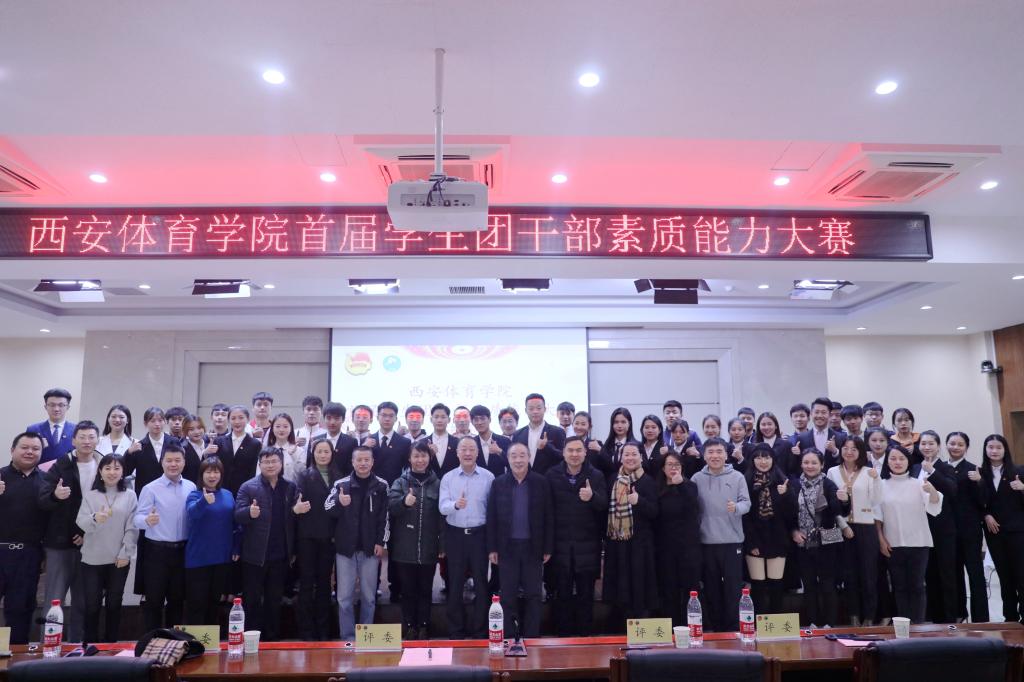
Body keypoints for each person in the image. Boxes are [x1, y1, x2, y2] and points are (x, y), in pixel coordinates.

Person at [39, 420, 102, 642]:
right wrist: (55, 496)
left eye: (91, 437)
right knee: (54, 599)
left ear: (98, 440)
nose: (87, 441)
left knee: (83, 601)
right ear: (73, 440)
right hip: (60, 543)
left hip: (91, 543)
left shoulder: (104, 465)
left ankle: (77, 648)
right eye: (82, 437)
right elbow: (43, 499)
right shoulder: (61, 465)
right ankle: (49, 647)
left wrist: (85, 533)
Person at [487, 442, 553, 638]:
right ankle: (510, 636)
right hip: (507, 548)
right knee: (507, 595)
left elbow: (549, 516)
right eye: (514, 456)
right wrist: (492, 548)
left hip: (533, 547)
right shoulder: (498, 483)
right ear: (507, 459)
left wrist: (548, 547)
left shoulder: (541, 482)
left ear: (529, 457)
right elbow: (491, 517)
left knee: (534, 594)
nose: (518, 460)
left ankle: (531, 637)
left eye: (522, 455)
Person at [325, 446, 389, 641]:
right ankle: (348, 638)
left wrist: (381, 542)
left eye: (366, 460)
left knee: (369, 597)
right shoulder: (341, 484)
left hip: (370, 549)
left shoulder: (381, 485)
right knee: (344, 597)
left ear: (372, 462)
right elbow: (328, 509)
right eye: (359, 460)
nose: (363, 463)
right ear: (352, 462)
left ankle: (366, 637)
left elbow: (385, 517)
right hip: (345, 549)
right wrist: (339, 502)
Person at [235, 447, 299, 641]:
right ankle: (251, 639)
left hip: (280, 555)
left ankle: (272, 639)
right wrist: (249, 513)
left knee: (274, 600)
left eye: (274, 461)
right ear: (260, 464)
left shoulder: (290, 487)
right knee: (252, 601)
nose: (270, 465)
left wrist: (296, 511)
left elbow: (294, 519)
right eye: (266, 462)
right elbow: (237, 515)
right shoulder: (248, 487)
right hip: (254, 556)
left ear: (281, 463)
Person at [545, 436, 607, 636]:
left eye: (578, 450)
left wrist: (592, 497)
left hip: (587, 547)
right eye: (570, 450)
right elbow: (546, 512)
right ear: (563, 453)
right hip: (560, 547)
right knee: (561, 595)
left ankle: (585, 637)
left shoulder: (596, 475)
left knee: (586, 595)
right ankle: (563, 637)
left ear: (585, 452)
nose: (574, 454)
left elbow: (604, 506)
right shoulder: (552, 475)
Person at [133, 443, 196, 632]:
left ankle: (174, 642)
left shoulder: (191, 486)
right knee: (154, 601)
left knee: (177, 601)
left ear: (184, 462)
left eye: (177, 460)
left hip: (182, 552)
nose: (173, 464)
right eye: (169, 460)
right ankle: (152, 641)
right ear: (162, 462)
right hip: (156, 552)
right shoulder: (150, 488)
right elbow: (137, 519)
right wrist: (147, 520)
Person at [76, 453, 138, 642]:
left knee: (114, 604)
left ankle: (111, 644)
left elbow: (132, 527)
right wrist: (95, 518)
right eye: (108, 468)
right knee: (92, 605)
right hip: (92, 559)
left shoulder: (130, 495)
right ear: (100, 472)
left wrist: (126, 553)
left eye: (117, 468)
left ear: (123, 472)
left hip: (118, 559)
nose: (112, 472)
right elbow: (81, 522)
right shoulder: (91, 495)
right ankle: (90, 645)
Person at [877, 444, 942, 624]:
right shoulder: (881, 485)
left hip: (919, 543)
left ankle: (918, 625)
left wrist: (932, 491)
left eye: (901, 458)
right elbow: (877, 516)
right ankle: (903, 627)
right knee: (899, 587)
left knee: (917, 585)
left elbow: (935, 507)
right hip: (892, 544)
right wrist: (881, 540)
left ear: (908, 461)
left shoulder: (918, 483)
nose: (897, 462)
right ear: (887, 462)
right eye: (893, 458)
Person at [692, 437, 750, 632]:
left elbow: (747, 503)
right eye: (710, 452)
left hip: (732, 541)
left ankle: (733, 628)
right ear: (704, 455)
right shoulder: (696, 478)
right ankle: (716, 629)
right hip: (706, 542)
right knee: (711, 588)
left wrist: (737, 508)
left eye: (719, 452)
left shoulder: (737, 477)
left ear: (726, 455)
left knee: (733, 588)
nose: (715, 456)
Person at [439, 437, 494, 638]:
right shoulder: (448, 478)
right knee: (455, 584)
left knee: (481, 583)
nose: (468, 453)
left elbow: (493, 510)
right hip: (455, 536)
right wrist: (455, 505)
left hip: (480, 535)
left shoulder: (488, 477)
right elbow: (442, 507)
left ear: (478, 452)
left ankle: (480, 631)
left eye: (472, 449)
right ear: (457, 453)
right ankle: (456, 631)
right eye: (464, 449)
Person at [388, 440, 442, 639]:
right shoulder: (400, 482)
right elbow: (391, 508)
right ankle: (410, 626)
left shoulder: (438, 483)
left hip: (429, 547)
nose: (420, 460)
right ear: (409, 459)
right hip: (404, 548)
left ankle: (424, 626)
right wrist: (404, 502)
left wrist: (442, 545)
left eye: (424, 456)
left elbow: (442, 518)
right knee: (408, 590)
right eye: (416, 456)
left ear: (429, 458)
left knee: (426, 590)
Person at [826, 436, 881, 625]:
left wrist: (876, 479)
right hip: (843, 528)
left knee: (869, 574)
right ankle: (854, 615)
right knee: (849, 575)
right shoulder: (832, 472)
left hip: (866, 527)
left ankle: (869, 616)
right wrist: (843, 525)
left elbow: (876, 501)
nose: (849, 452)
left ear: (860, 452)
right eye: (845, 448)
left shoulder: (868, 472)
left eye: (854, 449)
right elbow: (831, 504)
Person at [603, 442, 659, 625]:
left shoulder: (648, 481)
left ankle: (639, 625)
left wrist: (639, 501)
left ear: (641, 457)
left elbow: (655, 512)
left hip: (640, 544)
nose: (630, 458)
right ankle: (619, 626)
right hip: (617, 542)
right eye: (626, 454)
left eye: (634, 454)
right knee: (619, 586)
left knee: (639, 585)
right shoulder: (613, 479)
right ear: (620, 458)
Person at [790, 448, 846, 627]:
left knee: (828, 584)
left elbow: (839, 510)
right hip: (803, 542)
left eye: (814, 462)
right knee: (809, 584)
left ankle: (830, 623)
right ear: (801, 464)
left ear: (822, 465)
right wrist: (794, 531)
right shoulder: (794, 485)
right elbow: (788, 513)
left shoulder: (829, 484)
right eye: (806, 462)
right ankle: (813, 622)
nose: (810, 466)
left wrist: (844, 500)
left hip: (827, 541)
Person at [0, 432, 47, 644]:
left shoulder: (46, 482)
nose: (30, 452)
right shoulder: (0, 475)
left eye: (35, 449)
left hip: (28, 554)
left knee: (20, 610)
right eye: (24, 447)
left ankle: (15, 657)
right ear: (12, 450)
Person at [294, 439, 339, 640]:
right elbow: (297, 503)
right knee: (306, 583)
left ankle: (323, 630)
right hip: (308, 537)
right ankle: (306, 631)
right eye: (319, 451)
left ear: (332, 453)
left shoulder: (338, 475)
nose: (322, 455)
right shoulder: (304, 475)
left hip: (329, 537)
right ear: (313, 453)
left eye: (326, 451)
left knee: (324, 584)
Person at [185, 457, 237, 627]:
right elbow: (192, 514)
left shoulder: (228, 495)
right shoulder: (195, 495)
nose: (212, 476)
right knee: (196, 603)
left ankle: (210, 640)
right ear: (202, 474)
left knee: (215, 602)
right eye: (208, 472)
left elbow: (235, 524)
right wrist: (203, 501)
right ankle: (194, 640)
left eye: (216, 472)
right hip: (198, 559)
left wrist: (236, 547)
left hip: (222, 558)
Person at [742, 443, 794, 616]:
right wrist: (751, 542)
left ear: (773, 459)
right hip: (754, 539)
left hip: (777, 538)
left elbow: (791, 515)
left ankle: (775, 624)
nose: (762, 461)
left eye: (766, 457)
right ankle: (759, 624)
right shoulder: (745, 481)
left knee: (776, 584)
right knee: (758, 585)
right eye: (758, 457)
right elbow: (744, 516)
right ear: (752, 460)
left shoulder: (783, 481)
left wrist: (786, 495)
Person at [978, 434, 1024, 623]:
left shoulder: (1018, 471)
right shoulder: (981, 473)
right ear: (985, 449)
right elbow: (976, 502)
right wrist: (985, 515)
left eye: (998, 447)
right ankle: (1010, 617)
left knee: (1021, 574)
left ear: (1005, 450)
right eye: (990, 447)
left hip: (1018, 532)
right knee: (1004, 577)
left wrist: (1023, 488)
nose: (994, 451)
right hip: (994, 532)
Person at [945, 431, 988, 622]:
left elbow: (984, 501)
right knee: (953, 575)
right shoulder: (940, 468)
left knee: (975, 574)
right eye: (952, 443)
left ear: (966, 448)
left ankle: (981, 618)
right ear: (946, 445)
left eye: (960, 444)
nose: (955, 447)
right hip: (947, 531)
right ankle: (958, 614)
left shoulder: (974, 470)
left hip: (970, 531)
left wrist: (980, 482)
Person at [655, 451, 702, 625]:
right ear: (663, 468)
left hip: (688, 547)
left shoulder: (690, 486)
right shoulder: (657, 488)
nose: (673, 468)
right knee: (669, 589)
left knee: (690, 588)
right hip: (665, 547)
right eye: (670, 464)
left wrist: (680, 484)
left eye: (677, 465)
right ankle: (673, 627)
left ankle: (692, 626)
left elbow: (693, 508)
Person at [918, 430, 959, 624]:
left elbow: (952, 490)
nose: (926, 447)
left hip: (943, 530)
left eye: (931, 443)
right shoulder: (915, 468)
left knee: (946, 574)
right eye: (923, 443)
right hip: (921, 529)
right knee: (930, 574)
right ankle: (936, 618)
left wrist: (933, 472)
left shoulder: (945, 467)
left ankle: (950, 618)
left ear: (938, 446)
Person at [512, 393, 566, 474]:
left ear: (545, 409)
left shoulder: (557, 432)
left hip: (549, 479)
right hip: (525, 478)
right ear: (526, 411)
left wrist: (547, 446)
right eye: (531, 408)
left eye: (539, 408)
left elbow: (563, 457)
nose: (535, 412)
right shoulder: (518, 434)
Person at [215, 405, 263, 495]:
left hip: (245, 491)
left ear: (247, 419)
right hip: (221, 489)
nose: (237, 422)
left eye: (241, 418)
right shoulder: (219, 441)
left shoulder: (255, 444)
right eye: (233, 418)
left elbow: (254, 470)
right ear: (229, 420)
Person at [792, 397, 842, 474]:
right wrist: (796, 454)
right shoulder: (801, 438)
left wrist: (835, 451)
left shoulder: (840, 437)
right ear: (811, 414)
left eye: (823, 412)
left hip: (832, 479)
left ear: (829, 415)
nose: (819, 415)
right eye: (816, 412)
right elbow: (797, 465)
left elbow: (844, 462)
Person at [27, 388, 76, 464]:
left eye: (61, 405)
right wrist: (37, 447)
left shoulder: (77, 430)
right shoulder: (33, 429)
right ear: (45, 407)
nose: (56, 409)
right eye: (52, 405)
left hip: (68, 471)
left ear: (68, 407)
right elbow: (26, 455)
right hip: (40, 470)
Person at [370, 401, 411, 485]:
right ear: (377, 417)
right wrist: (365, 447)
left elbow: (407, 469)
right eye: (384, 415)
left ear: (396, 418)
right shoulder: (368, 440)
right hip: (371, 487)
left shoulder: (405, 442)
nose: (387, 419)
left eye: (391, 416)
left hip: (395, 487)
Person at [312, 402, 357, 477]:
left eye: (336, 418)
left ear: (343, 419)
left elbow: (353, 467)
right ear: (324, 419)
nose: (332, 422)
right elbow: (310, 464)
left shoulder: (351, 442)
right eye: (329, 418)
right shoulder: (315, 440)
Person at [596, 407, 636, 483]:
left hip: (630, 486)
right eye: (616, 422)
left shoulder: (636, 446)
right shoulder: (606, 446)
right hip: (608, 487)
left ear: (629, 423)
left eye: (623, 422)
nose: (619, 425)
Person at [471, 405, 511, 477]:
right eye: (476, 419)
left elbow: (513, 465)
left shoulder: (504, 441)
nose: (479, 422)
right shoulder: (472, 443)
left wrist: (500, 452)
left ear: (489, 419)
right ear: (472, 422)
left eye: (482, 418)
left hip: (499, 482)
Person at [266, 413, 304, 481]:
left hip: (292, 487)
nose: (281, 430)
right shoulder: (266, 451)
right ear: (272, 429)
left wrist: (293, 455)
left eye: (285, 426)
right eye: (278, 426)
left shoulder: (299, 451)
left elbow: (302, 474)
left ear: (291, 429)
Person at [181, 414, 217, 485]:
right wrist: (204, 454)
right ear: (185, 431)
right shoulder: (183, 448)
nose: (197, 432)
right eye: (191, 429)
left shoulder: (210, 444)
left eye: (199, 428)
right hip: (190, 485)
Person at [426, 403, 459, 475]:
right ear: (431, 419)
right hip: (428, 481)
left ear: (449, 420)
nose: (439, 420)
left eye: (443, 417)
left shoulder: (457, 442)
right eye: (436, 417)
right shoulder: (423, 443)